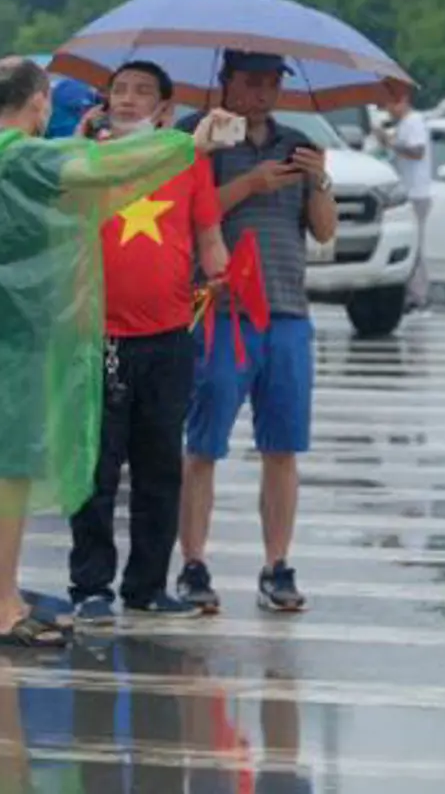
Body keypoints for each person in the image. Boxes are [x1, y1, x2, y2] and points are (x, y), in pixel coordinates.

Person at [0, 55, 234, 648]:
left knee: (9, 469)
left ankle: (6, 595)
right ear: (39, 102)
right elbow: (108, 166)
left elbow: (95, 194)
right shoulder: (23, 157)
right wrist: (190, 142)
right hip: (13, 342)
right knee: (11, 472)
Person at [176, 50, 338, 615]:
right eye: (251, 82)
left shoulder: (296, 144)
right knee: (203, 445)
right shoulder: (200, 139)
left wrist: (318, 182)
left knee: (283, 448)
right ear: (226, 83)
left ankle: (278, 564)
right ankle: (193, 562)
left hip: (287, 311)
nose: (262, 92)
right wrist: (248, 184)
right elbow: (183, 213)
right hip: (221, 314)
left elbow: (323, 232)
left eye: (272, 83)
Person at [67, 61, 229, 623]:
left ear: (166, 108)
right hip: (98, 338)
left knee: (159, 466)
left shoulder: (185, 160)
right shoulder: (89, 157)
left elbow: (208, 234)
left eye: (142, 92)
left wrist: (221, 271)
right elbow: (58, 215)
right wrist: (75, 145)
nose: (128, 100)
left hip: (168, 336)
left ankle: (147, 585)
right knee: (95, 468)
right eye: (119, 90)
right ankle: (90, 585)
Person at [377, 81, 431, 314]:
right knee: (410, 244)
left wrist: (390, 142)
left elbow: (418, 151)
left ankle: (419, 296)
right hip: (407, 192)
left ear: (402, 101)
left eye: (390, 104)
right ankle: (411, 293)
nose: (388, 109)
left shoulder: (414, 121)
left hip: (417, 193)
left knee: (415, 246)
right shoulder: (404, 124)